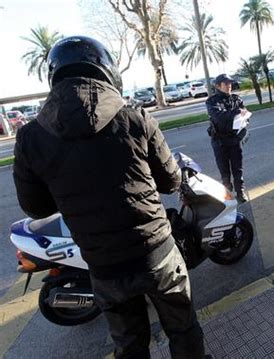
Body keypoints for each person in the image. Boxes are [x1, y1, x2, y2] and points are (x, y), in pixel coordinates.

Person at [13, 36, 207, 359]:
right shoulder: (135, 117)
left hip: (104, 269)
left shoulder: (30, 137)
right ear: (106, 71)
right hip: (157, 255)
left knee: (129, 346)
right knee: (183, 329)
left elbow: (35, 207)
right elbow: (172, 180)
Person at [206, 73, 249, 203]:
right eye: (226, 84)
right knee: (224, 170)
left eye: (230, 83)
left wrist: (245, 119)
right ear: (218, 86)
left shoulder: (236, 99)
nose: (229, 86)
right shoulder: (212, 101)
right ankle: (228, 194)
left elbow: (245, 115)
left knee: (238, 168)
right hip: (220, 141)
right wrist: (236, 112)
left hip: (235, 139)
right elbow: (219, 117)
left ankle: (240, 192)